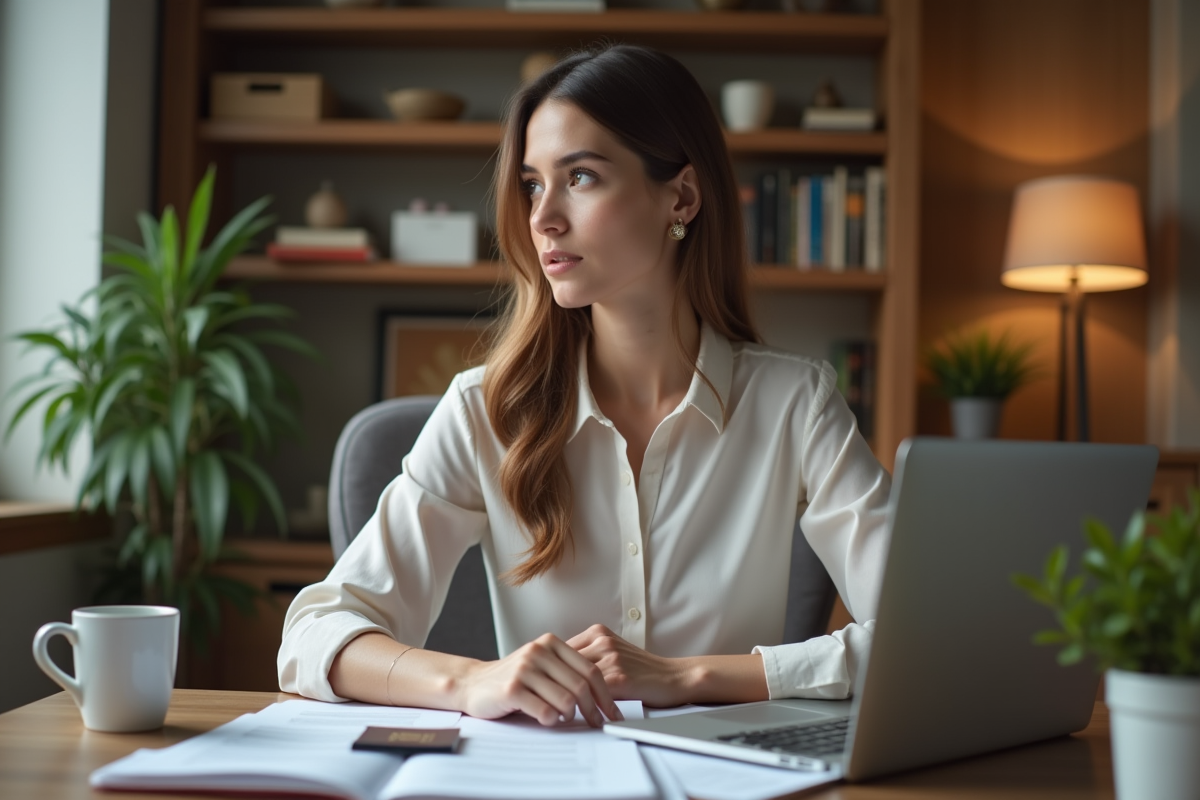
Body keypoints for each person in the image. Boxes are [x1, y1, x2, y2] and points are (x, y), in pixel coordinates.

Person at [278, 44, 891, 729]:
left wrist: (689, 677)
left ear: (680, 196)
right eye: (534, 184)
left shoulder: (795, 405)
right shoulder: (485, 412)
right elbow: (313, 636)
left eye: (582, 177)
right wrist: (473, 680)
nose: (543, 218)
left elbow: (921, 638)